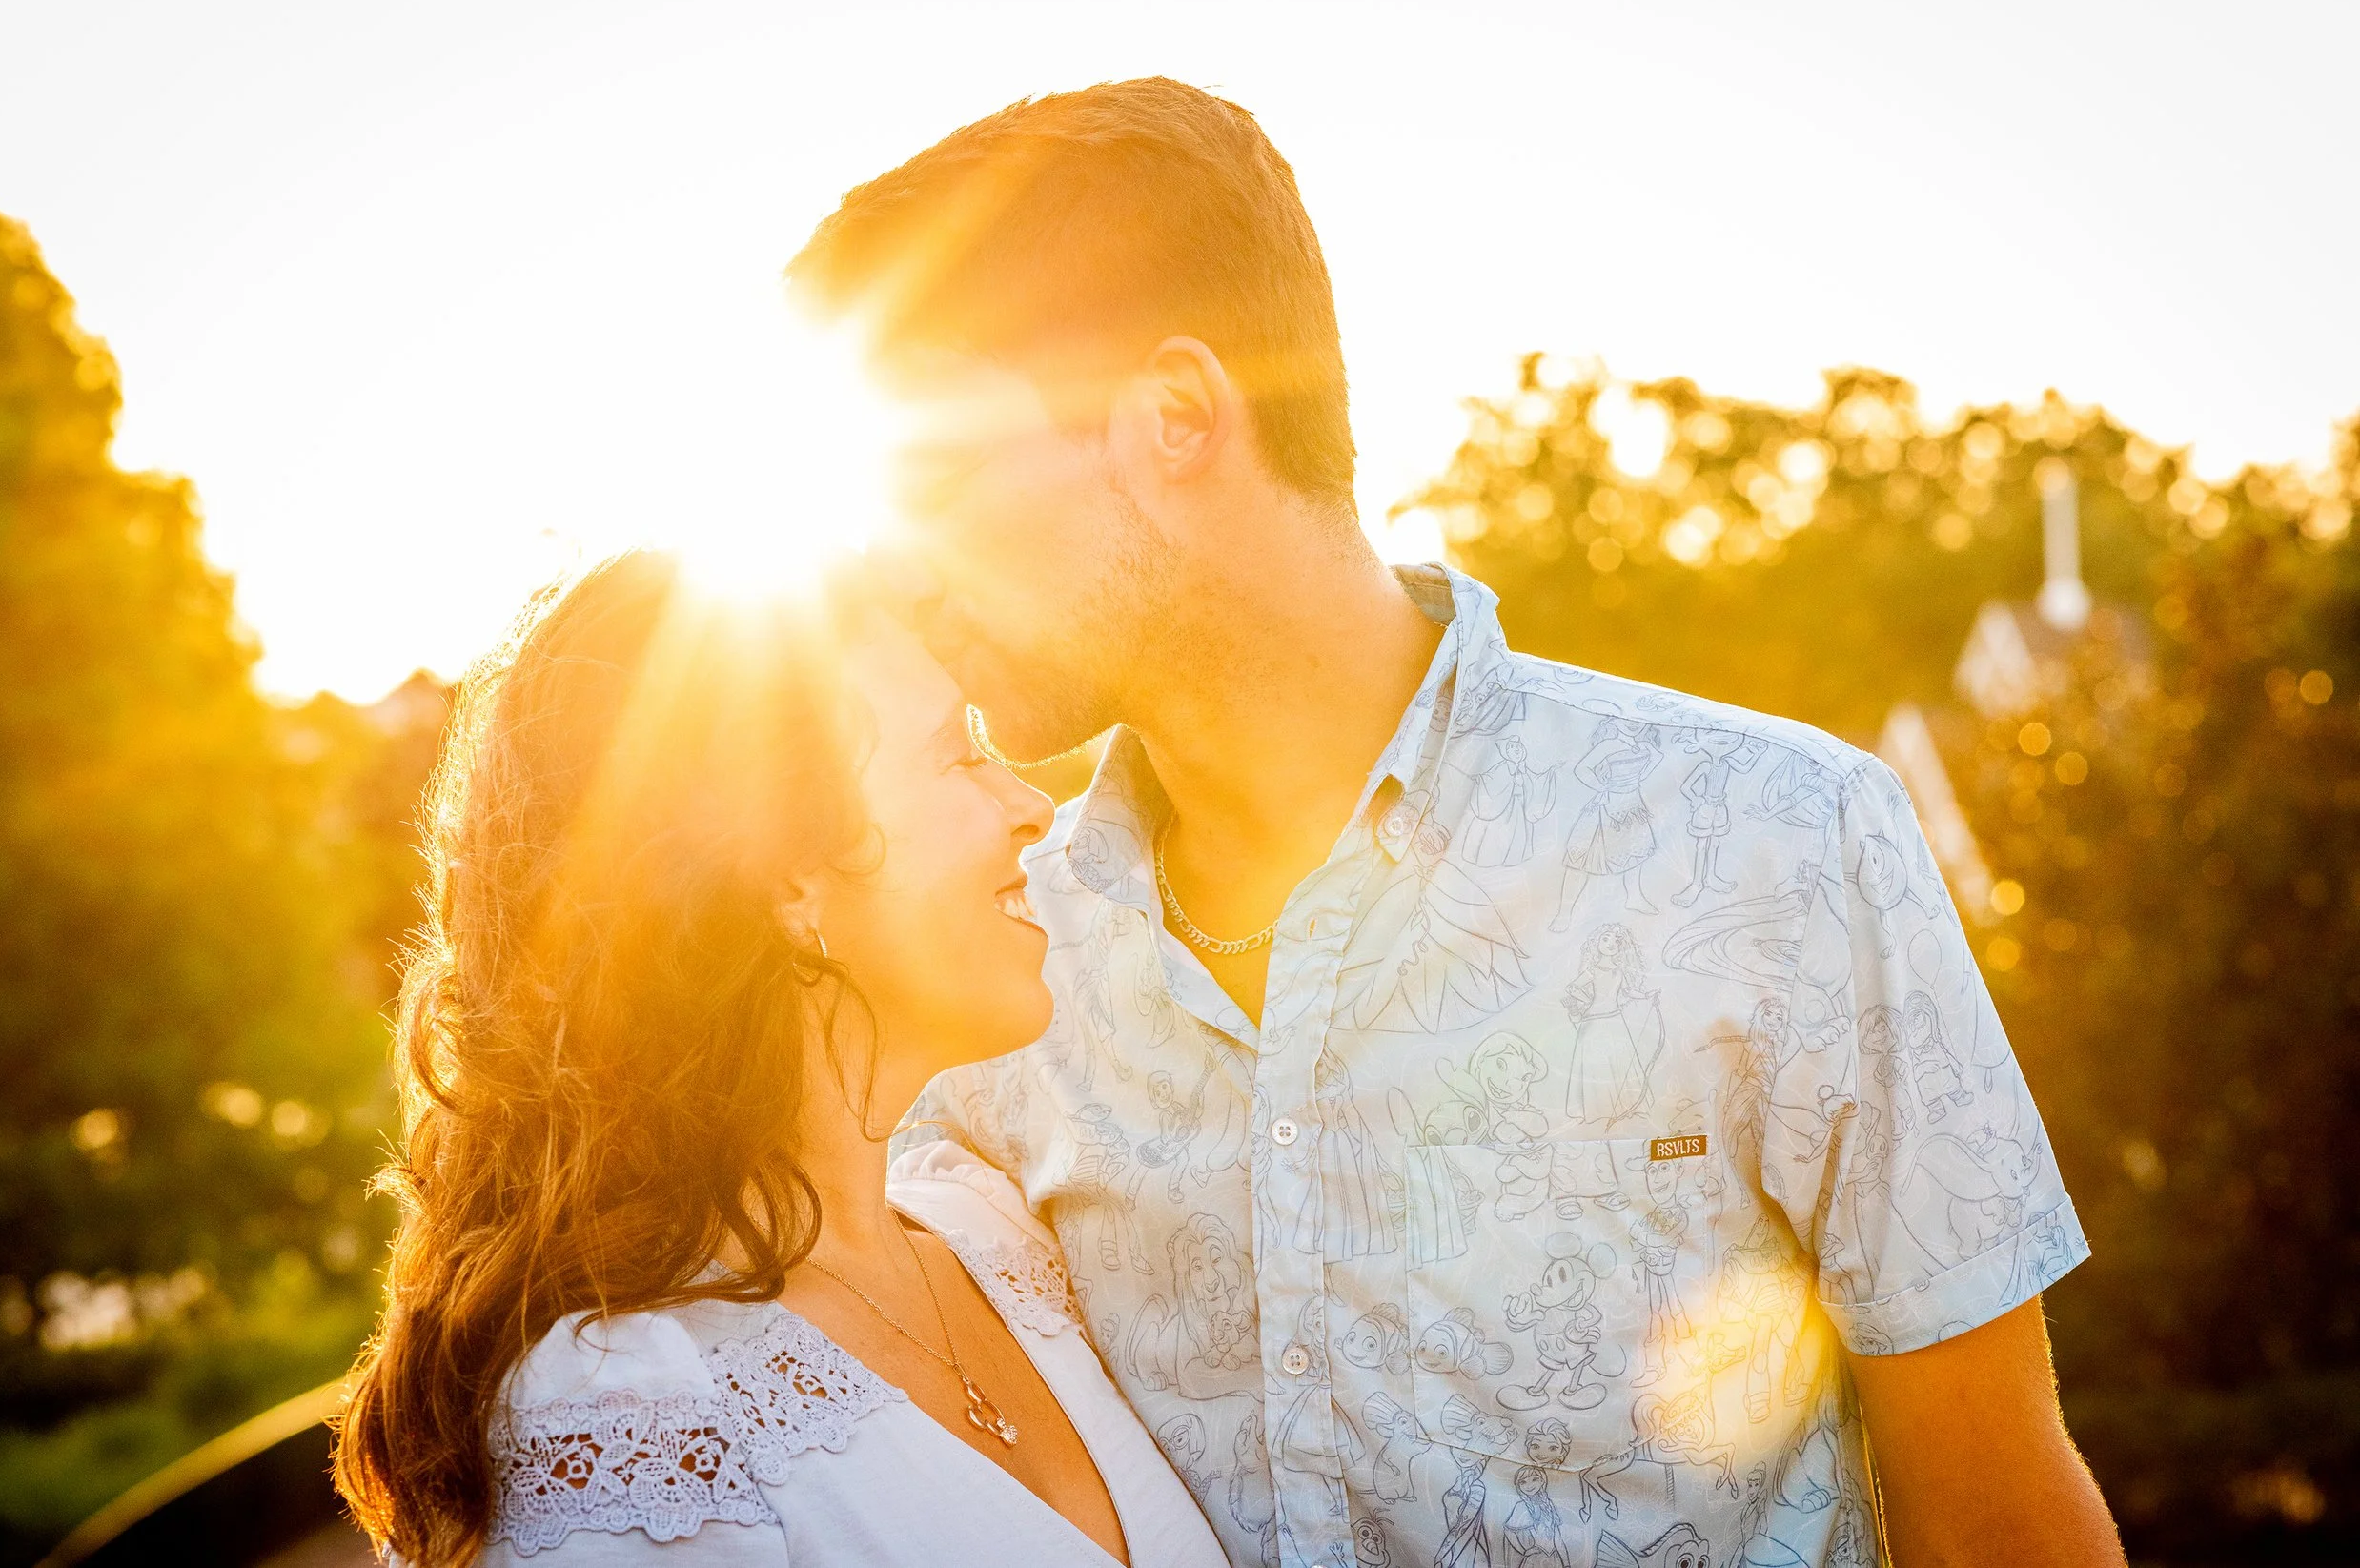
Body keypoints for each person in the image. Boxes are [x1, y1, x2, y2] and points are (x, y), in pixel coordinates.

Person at [789, 78, 2127, 1567]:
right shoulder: (983, 976)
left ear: (1175, 417)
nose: (894, 570)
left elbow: (2002, 1521)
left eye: (931, 477)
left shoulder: (1786, 842)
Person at [333, 552, 1230, 1568]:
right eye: (956, 754)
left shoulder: (997, 1239)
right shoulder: (623, 1411)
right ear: (787, 882)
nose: (1032, 805)